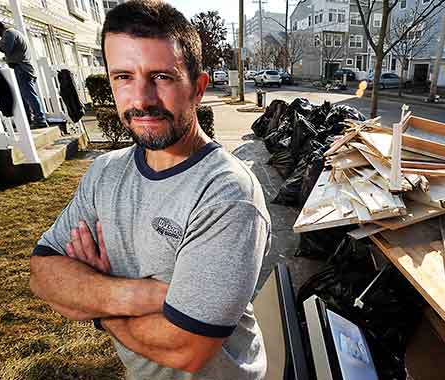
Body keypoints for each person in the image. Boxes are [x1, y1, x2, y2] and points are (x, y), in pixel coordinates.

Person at [28, 1, 270, 379]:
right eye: (123, 77)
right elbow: (42, 273)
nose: (140, 99)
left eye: (161, 77)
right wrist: (146, 295)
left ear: (198, 89)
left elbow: (186, 347)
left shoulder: (227, 195)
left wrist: (93, 300)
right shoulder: (104, 173)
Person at [0, 18, 48, 128]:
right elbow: (9, 52)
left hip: (21, 69)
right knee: (27, 96)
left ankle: (41, 120)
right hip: (24, 68)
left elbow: (5, 49)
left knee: (30, 96)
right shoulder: (13, 33)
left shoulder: (9, 33)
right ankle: (31, 119)